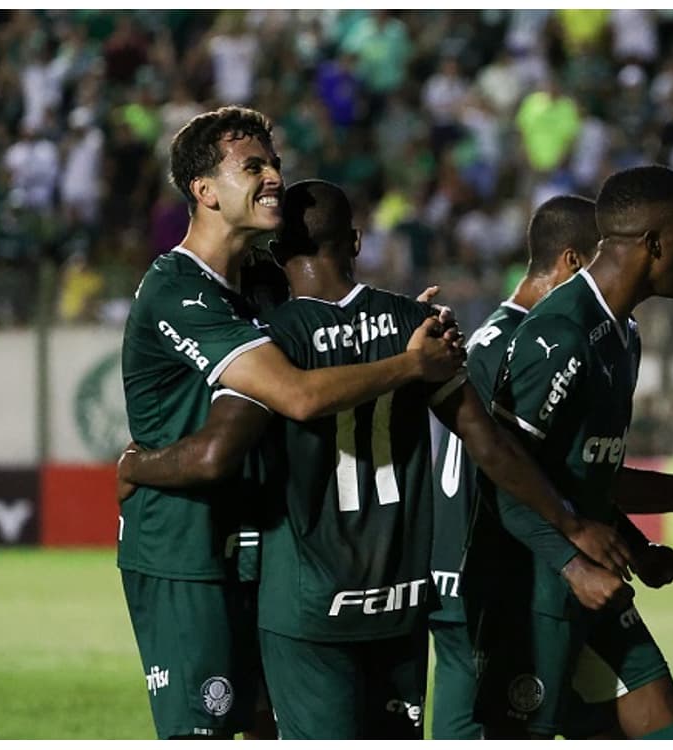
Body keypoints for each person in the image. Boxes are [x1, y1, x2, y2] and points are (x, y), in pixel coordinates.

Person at [119, 179, 633, 739]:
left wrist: (135, 465)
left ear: (276, 251)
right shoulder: (418, 331)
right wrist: (570, 524)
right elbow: (491, 446)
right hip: (400, 600)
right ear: (357, 242)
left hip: (308, 606)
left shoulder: (272, 342)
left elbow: (219, 452)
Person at [118, 106, 463, 740]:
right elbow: (298, 396)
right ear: (204, 191)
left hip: (261, 551)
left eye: (273, 163)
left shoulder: (263, 283)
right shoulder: (178, 290)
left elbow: (331, 341)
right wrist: (408, 363)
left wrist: (391, 332)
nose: (274, 176)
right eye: (252, 167)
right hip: (185, 552)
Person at [429, 193, 673, 739]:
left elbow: (580, 474)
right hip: (512, 579)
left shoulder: (621, 335)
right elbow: (501, 475)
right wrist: (572, 558)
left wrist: (635, 544)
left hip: (576, 565)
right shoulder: (542, 339)